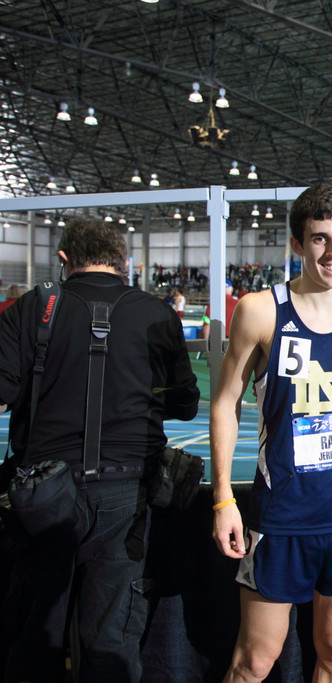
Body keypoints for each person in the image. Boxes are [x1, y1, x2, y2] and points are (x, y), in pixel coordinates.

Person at [209, 183, 332, 682]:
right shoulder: (260, 311)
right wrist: (223, 498)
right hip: (281, 517)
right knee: (254, 660)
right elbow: (225, 403)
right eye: (320, 239)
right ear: (297, 244)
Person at [0, 218, 199, 681]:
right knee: (111, 642)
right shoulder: (156, 312)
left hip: (42, 495)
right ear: (123, 260)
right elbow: (185, 404)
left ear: (64, 258)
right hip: (126, 495)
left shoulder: (31, 308)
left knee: (35, 634)